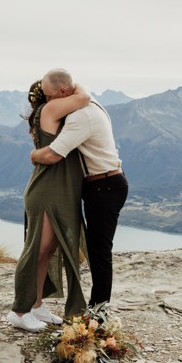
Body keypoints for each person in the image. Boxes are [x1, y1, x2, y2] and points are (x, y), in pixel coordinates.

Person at [31, 68, 127, 309]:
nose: (48, 102)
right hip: (104, 184)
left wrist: (34, 155)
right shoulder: (89, 102)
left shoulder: (80, 116)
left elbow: (53, 154)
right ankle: (97, 307)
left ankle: (98, 310)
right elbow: (81, 91)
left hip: (103, 186)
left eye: (50, 97)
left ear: (64, 91)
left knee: (99, 251)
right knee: (97, 249)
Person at [8, 79, 92, 331]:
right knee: (37, 250)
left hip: (60, 191)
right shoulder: (49, 109)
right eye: (56, 93)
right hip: (46, 191)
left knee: (47, 250)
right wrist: (72, 84)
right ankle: (19, 311)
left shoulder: (52, 110)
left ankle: (36, 305)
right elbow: (84, 97)